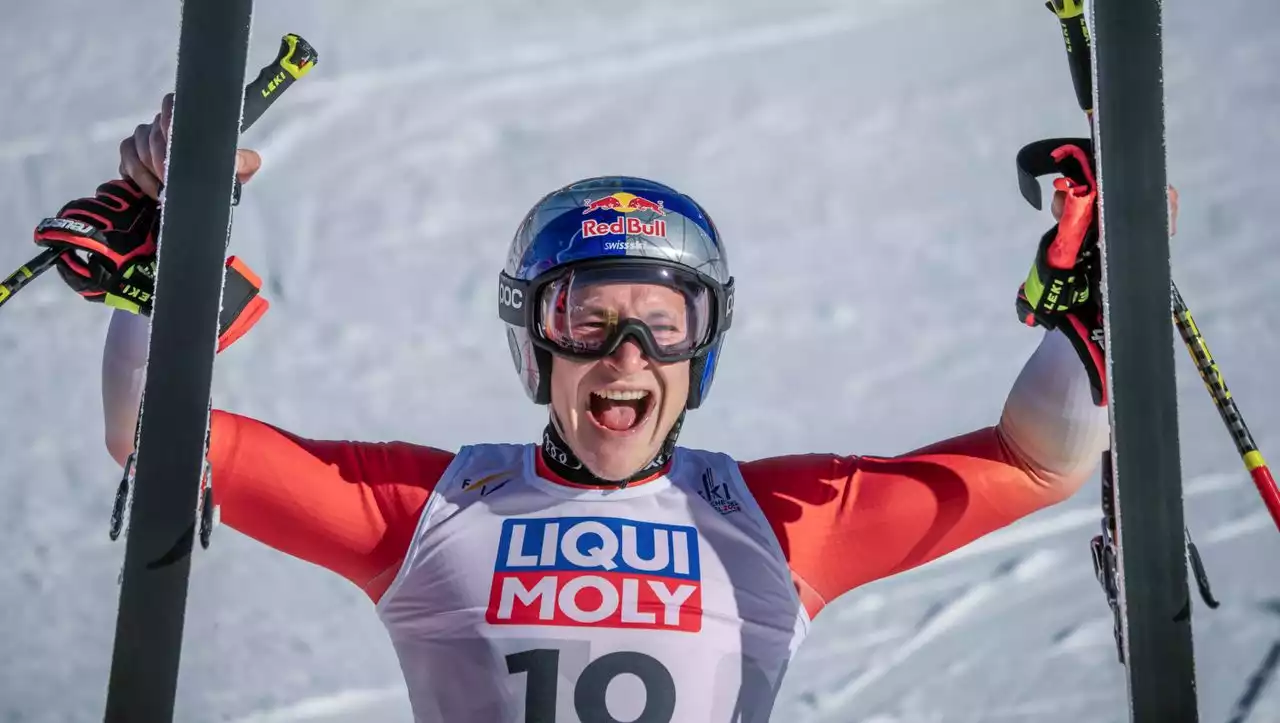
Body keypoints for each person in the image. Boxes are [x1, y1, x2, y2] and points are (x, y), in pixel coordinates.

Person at [34, 92, 1133, 723]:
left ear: (702, 344)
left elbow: (1036, 465)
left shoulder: (784, 522)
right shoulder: (428, 509)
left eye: (662, 323)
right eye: (583, 318)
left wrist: (1088, 306)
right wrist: (173, 272)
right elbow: (159, 440)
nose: (623, 355)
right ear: (532, 340)